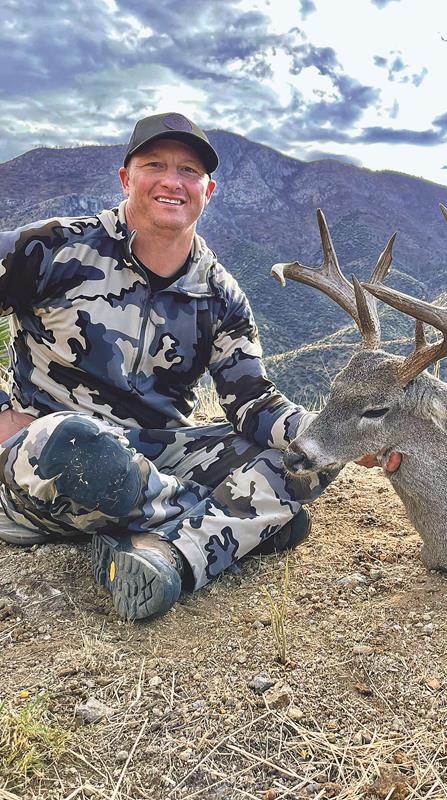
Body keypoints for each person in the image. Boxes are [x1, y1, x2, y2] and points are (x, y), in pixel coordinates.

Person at [0, 112, 334, 621]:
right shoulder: (51, 248)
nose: (172, 181)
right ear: (126, 178)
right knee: (69, 441)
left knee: (309, 455)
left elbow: (252, 402)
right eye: (155, 165)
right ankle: (228, 523)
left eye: (188, 171)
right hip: (49, 454)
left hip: (158, 455)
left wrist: (330, 431)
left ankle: (167, 554)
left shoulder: (220, 294)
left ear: (208, 190)